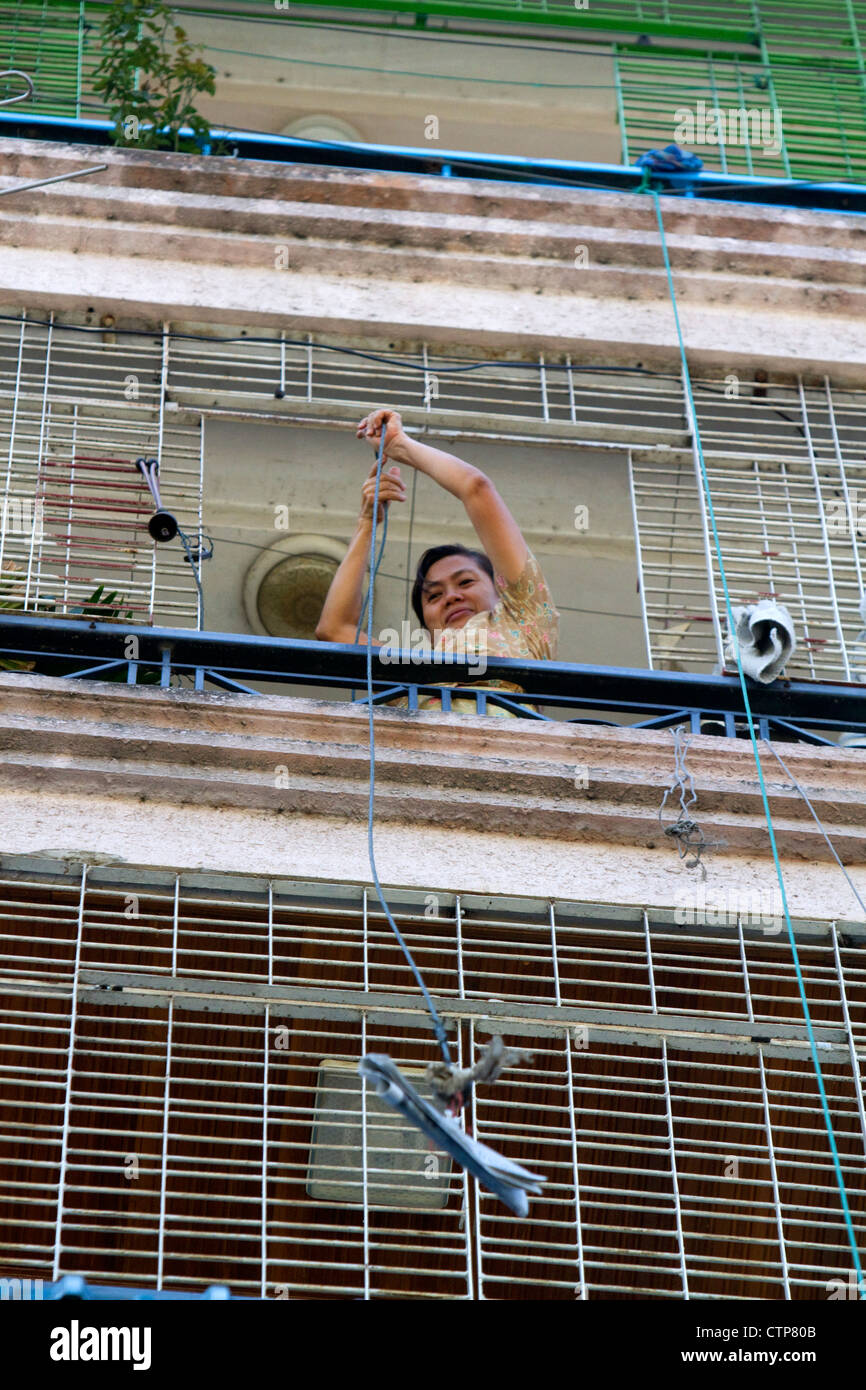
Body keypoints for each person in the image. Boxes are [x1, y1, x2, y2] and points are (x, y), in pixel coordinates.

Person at [315, 408, 559, 715]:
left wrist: (400, 446)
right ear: (428, 626)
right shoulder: (413, 664)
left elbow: (476, 488)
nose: (451, 597)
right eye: (433, 595)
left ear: (503, 594)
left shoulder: (524, 623)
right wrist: (366, 523)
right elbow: (334, 628)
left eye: (466, 582)